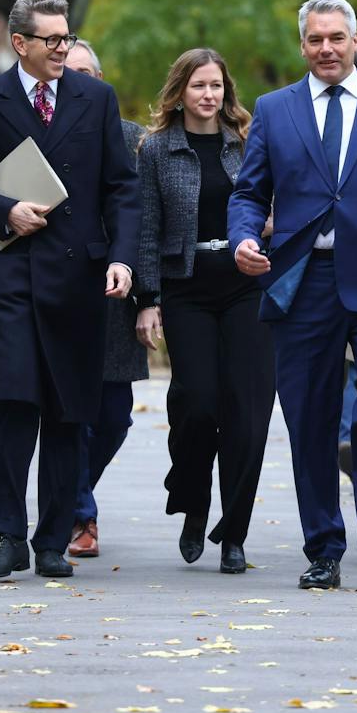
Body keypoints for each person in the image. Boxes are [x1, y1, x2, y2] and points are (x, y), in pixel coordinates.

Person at [228, 0, 357, 590]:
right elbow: (248, 194)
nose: (326, 48)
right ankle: (323, 547)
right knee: (311, 419)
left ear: (355, 43)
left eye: (336, 38)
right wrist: (244, 237)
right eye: (315, 39)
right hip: (302, 282)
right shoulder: (274, 110)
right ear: (303, 46)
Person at [0, 0, 139, 583]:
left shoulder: (96, 98)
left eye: (67, 37)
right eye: (51, 39)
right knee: (11, 405)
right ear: (19, 44)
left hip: (78, 278)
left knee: (66, 413)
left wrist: (123, 259)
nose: (63, 48)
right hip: (7, 279)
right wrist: (5, 211)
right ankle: (7, 536)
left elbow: (120, 189)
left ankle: (53, 539)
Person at [135, 47, 274, 575]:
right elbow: (147, 228)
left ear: (227, 90)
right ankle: (193, 502)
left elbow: (277, 202)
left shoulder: (249, 141)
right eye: (198, 86)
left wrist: (270, 225)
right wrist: (147, 300)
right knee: (197, 406)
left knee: (248, 416)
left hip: (248, 286)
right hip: (186, 287)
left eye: (216, 85)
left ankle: (233, 533)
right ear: (180, 91)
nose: (208, 95)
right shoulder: (156, 149)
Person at [62, 39, 150, 560]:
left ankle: (68, 493)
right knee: (74, 413)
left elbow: (146, 219)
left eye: (89, 73)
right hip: (63, 290)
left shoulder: (134, 140)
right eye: (71, 74)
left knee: (115, 414)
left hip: (119, 292)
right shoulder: (43, 136)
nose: (82, 83)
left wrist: (147, 294)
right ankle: (80, 513)